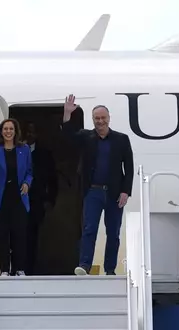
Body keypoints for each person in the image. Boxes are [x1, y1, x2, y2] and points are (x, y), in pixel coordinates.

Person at [61, 94, 134, 275]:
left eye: (103, 118)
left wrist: (126, 191)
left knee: (113, 233)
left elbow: (129, 167)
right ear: (93, 120)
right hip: (93, 191)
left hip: (115, 194)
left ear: (109, 119)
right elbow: (67, 136)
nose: (100, 121)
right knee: (89, 229)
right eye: (96, 118)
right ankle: (84, 266)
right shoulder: (86, 137)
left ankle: (110, 269)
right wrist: (67, 114)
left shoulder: (121, 139)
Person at [0, 118, 33, 276]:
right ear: (1, 131)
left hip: (19, 197)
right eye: (5, 129)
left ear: (15, 131)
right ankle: (4, 269)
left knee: (20, 234)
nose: (8, 132)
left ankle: (19, 269)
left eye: (11, 129)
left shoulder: (24, 150)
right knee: (3, 234)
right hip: (1, 197)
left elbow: (30, 172)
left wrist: (27, 183)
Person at [23, 122, 58, 275]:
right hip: (16, 200)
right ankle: (16, 268)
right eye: (27, 132)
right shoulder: (15, 151)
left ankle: (30, 269)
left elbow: (53, 179)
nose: (29, 135)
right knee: (16, 234)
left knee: (33, 236)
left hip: (37, 200)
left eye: (32, 132)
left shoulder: (45, 154)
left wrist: (51, 200)